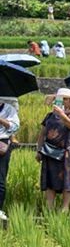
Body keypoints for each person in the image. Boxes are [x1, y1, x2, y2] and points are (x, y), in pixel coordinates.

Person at [39, 89, 70, 213]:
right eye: (60, 99)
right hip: (49, 152)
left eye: (65, 99)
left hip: (66, 152)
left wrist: (62, 115)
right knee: (50, 179)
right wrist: (38, 150)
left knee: (67, 180)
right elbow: (42, 134)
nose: (62, 101)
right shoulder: (49, 115)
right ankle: (49, 207)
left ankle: (65, 208)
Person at [0, 96, 17, 226]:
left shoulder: (9, 109)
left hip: (2, 144)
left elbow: (14, 127)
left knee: (0, 179)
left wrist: (1, 120)